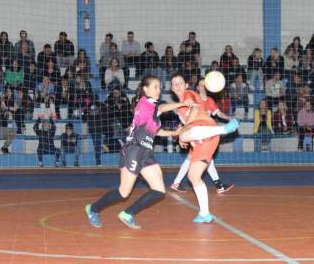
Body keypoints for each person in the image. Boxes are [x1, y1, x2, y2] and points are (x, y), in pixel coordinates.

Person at [85, 75, 195, 229]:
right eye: (155, 86)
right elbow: (162, 108)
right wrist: (182, 103)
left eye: (160, 87)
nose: (159, 90)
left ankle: (128, 214)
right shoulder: (145, 103)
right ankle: (93, 209)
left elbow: (156, 131)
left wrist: (175, 132)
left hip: (146, 153)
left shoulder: (152, 111)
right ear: (145, 89)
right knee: (123, 192)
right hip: (134, 150)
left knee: (159, 190)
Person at [170, 72, 240, 223]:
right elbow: (186, 120)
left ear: (186, 85)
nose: (177, 86)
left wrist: (183, 132)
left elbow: (194, 110)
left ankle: (224, 129)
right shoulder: (179, 104)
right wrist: (183, 130)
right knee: (193, 176)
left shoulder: (187, 95)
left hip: (206, 129)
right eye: (174, 84)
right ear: (171, 88)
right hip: (203, 138)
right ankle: (204, 214)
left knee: (182, 136)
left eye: (180, 83)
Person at [171, 79, 234, 194]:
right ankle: (218, 185)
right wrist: (179, 131)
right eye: (201, 85)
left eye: (205, 85)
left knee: (197, 159)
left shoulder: (210, 101)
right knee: (201, 159)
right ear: (198, 88)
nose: (203, 87)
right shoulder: (192, 98)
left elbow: (218, 113)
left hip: (204, 133)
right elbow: (186, 117)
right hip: (197, 132)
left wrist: (229, 118)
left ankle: (177, 182)